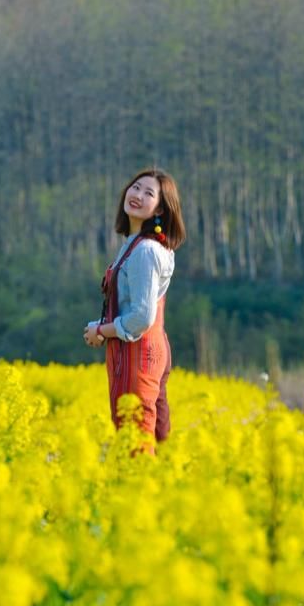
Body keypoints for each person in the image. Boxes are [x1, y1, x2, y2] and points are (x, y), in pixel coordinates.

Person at [84, 169, 186, 444]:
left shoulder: (145, 251)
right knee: (154, 436)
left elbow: (141, 316)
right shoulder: (140, 245)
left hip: (137, 353)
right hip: (148, 350)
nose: (138, 195)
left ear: (160, 210)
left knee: (135, 440)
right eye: (136, 187)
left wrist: (102, 330)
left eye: (148, 193)